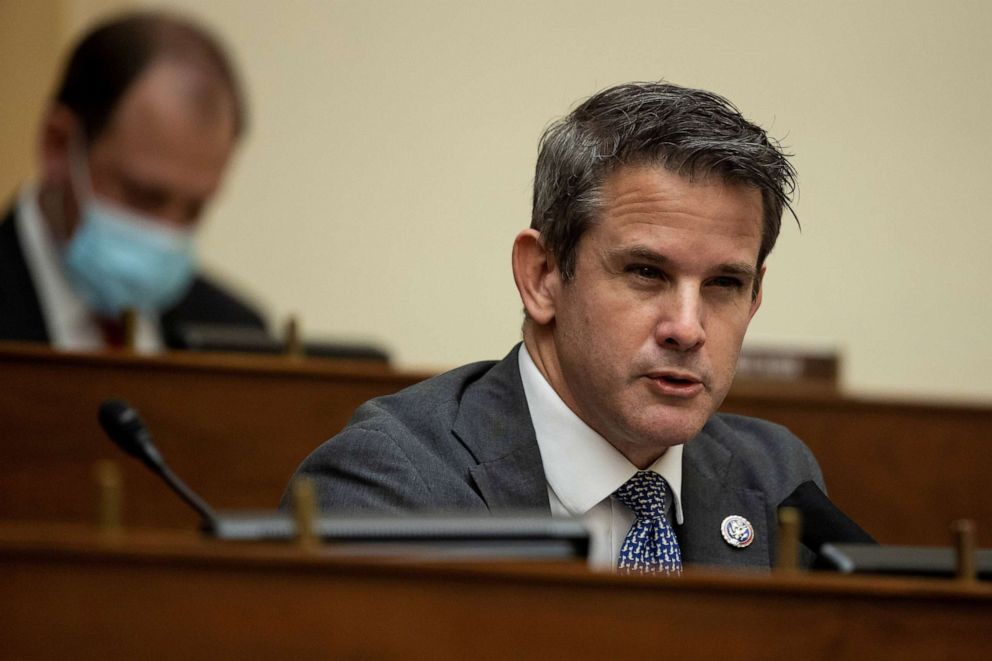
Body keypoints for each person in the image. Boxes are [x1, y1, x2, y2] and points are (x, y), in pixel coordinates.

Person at [286, 82, 831, 572]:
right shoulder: (389, 484)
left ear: (756, 296)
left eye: (724, 284)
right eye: (646, 272)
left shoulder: (776, 477)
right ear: (543, 277)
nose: (687, 329)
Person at [0, 11, 267, 352]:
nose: (166, 233)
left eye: (194, 208)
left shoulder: (237, 335)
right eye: (145, 196)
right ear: (58, 145)